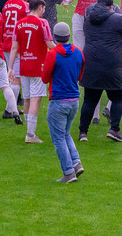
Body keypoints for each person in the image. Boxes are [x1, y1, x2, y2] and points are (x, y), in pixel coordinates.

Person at [78, 0, 122, 142]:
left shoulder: (89, 18)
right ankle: (114, 129)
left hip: (91, 64)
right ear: (111, 7)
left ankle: (83, 132)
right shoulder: (117, 18)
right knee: (118, 97)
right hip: (112, 66)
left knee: (89, 100)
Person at [42, 22, 85, 183]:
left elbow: (45, 78)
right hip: (74, 100)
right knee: (65, 133)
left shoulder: (52, 54)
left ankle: (68, 172)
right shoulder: (79, 52)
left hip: (58, 101)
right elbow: (80, 76)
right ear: (69, 35)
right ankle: (76, 163)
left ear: (55, 36)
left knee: (58, 138)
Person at [8, 0, 55, 143]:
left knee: (27, 99)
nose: (44, 11)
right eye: (44, 9)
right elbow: (49, 43)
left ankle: (29, 132)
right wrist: (63, 51)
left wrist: (10, 68)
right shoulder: (42, 23)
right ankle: (30, 134)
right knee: (36, 99)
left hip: (24, 66)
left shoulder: (19, 24)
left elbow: (14, 48)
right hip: (38, 66)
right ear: (40, 7)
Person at [2, 0, 35, 115]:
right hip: (18, 45)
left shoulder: (7, 4)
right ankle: (9, 110)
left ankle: (11, 108)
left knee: (12, 76)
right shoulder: (25, 6)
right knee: (17, 78)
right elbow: (29, 24)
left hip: (6, 42)